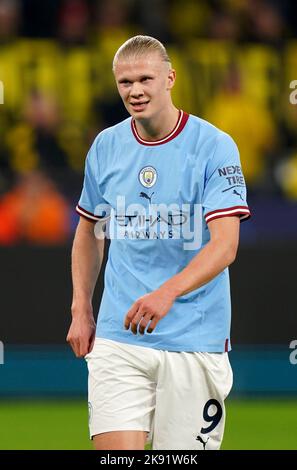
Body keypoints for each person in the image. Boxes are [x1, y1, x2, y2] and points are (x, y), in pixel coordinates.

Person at [66, 35, 251, 450]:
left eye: (145, 79)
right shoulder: (106, 146)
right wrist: (82, 308)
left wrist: (165, 294)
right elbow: (89, 232)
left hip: (193, 340)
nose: (135, 91)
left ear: (169, 78)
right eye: (125, 82)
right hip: (119, 337)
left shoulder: (214, 146)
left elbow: (225, 247)